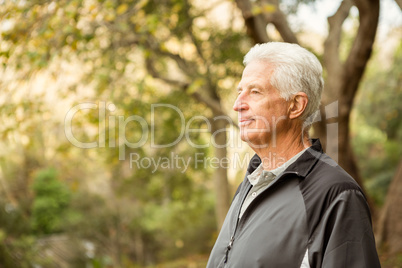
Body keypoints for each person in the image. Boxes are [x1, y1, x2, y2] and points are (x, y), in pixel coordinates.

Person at [206, 42, 380, 268]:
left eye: (255, 91)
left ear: (296, 105)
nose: (238, 104)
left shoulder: (337, 193)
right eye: (240, 92)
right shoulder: (249, 185)